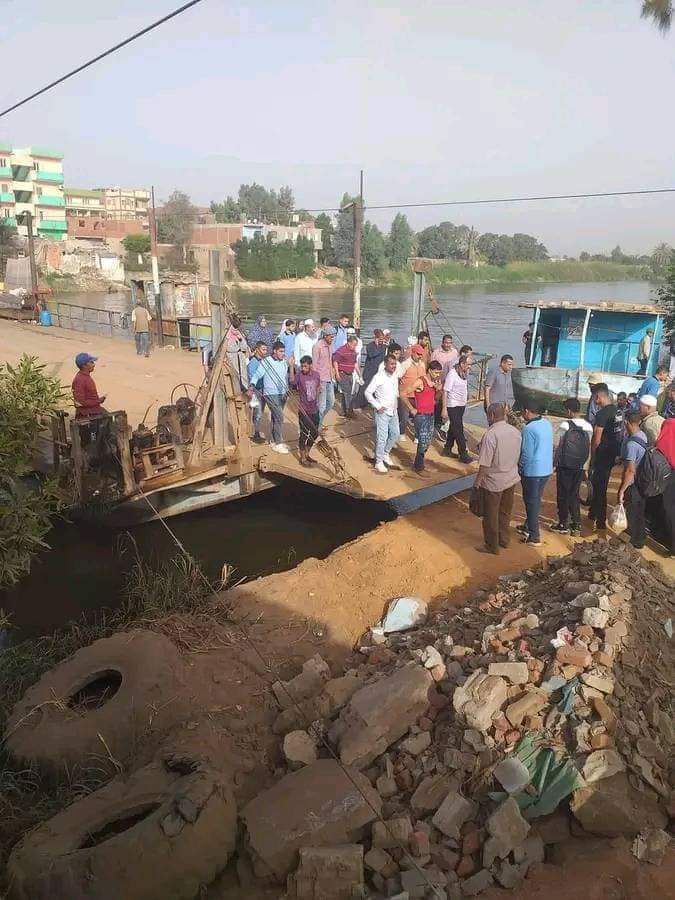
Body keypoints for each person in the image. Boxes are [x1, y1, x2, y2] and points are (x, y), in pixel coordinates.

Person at [475, 402, 522, 554]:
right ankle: (504, 540)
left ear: (492, 415)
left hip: (494, 482)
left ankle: (491, 546)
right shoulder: (515, 431)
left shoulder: (490, 435)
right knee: (505, 511)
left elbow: (485, 463)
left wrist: (477, 482)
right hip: (511, 478)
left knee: (491, 515)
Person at [550, 398, 592, 536]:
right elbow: (589, 448)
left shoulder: (565, 425)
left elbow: (558, 445)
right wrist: (585, 467)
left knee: (563, 494)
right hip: (580, 465)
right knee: (574, 494)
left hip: (565, 465)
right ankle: (576, 524)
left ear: (569, 411)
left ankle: (563, 523)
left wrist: (554, 463)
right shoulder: (588, 426)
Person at [517, 399, 553, 547]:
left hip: (532, 471)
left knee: (531, 502)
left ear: (527, 411)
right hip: (546, 469)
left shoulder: (528, 428)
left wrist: (520, 467)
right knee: (536, 499)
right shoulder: (546, 423)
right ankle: (528, 526)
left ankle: (534, 536)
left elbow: (526, 453)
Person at [399, 360, 443, 473]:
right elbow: (403, 394)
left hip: (430, 414)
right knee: (422, 441)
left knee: (427, 441)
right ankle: (418, 466)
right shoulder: (420, 381)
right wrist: (411, 408)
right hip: (421, 415)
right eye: (436, 372)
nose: (437, 375)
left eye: (439, 373)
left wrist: (439, 391)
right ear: (430, 370)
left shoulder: (434, 383)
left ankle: (419, 463)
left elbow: (435, 400)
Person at [588, 384, 620, 531]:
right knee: (599, 484)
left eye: (594, 397)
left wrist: (592, 457)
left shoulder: (601, 414)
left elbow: (597, 438)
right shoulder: (618, 411)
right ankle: (593, 513)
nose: (594, 401)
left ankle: (600, 521)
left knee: (600, 487)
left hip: (602, 455)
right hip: (612, 454)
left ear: (598, 397)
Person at [248, 340, 289, 454]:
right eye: (280, 351)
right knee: (280, 417)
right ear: (275, 351)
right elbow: (257, 375)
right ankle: (279, 443)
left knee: (276, 417)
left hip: (282, 393)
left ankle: (273, 440)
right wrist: (252, 385)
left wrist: (286, 389)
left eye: (284, 351)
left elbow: (285, 377)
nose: (283, 353)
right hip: (270, 393)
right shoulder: (266, 361)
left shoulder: (284, 362)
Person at [364, 353, 400, 474]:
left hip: (393, 411)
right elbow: (368, 392)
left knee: (395, 434)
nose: (394, 366)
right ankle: (378, 461)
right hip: (382, 412)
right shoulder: (378, 377)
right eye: (391, 364)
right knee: (382, 437)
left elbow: (395, 392)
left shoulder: (395, 375)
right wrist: (377, 406)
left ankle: (385, 453)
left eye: (395, 364)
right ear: (385, 364)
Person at [622, 411, 651, 549]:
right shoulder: (643, 436)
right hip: (643, 480)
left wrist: (622, 490)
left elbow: (630, 471)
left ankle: (634, 542)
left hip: (633, 483)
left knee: (632, 512)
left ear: (626, 422)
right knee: (640, 511)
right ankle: (640, 538)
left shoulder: (631, 444)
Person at [441, 355, 473, 464]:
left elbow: (464, 386)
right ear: (462, 364)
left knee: (453, 427)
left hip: (461, 405)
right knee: (459, 429)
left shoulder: (464, 373)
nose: (470, 367)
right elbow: (445, 391)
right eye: (468, 364)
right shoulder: (452, 374)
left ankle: (447, 449)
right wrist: (444, 409)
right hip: (453, 405)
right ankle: (463, 453)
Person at [296, 355, 321, 467]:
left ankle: (307, 453)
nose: (303, 368)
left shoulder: (316, 375)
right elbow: (292, 382)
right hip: (303, 410)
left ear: (310, 365)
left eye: (305, 366)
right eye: (302, 366)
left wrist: (317, 399)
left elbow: (318, 387)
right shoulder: (299, 375)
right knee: (304, 434)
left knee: (315, 433)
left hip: (314, 409)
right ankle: (302, 458)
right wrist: (291, 367)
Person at [398, 344, 427, 440]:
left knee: (419, 417)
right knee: (404, 416)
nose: (420, 356)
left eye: (421, 354)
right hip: (406, 395)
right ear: (413, 353)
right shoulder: (405, 364)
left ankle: (417, 435)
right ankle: (401, 432)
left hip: (418, 395)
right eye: (418, 354)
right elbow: (398, 377)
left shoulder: (422, 364)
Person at [312, 326, 336, 425]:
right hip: (320, 379)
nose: (332, 339)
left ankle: (319, 421)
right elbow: (314, 366)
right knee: (321, 405)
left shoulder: (330, 345)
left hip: (329, 378)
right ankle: (317, 426)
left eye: (334, 336)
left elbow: (330, 361)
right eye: (331, 336)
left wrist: (333, 375)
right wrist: (316, 383)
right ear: (325, 336)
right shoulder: (317, 346)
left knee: (331, 403)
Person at [332, 334, 361, 418]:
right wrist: (337, 374)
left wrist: (359, 374)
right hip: (342, 373)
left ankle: (344, 411)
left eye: (356, 345)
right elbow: (335, 362)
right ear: (349, 343)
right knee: (348, 393)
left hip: (350, 374)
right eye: (354, 345)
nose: (355, 347)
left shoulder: (353, 352)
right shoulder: (341, 350)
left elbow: (355, 363)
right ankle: (349, 411)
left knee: (346, 393)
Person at [247, 341, 268, 444]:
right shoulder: (253, 362)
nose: (265, 351)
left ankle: (255, 431)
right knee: (257, 412)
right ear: (257, 349)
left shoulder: (264, 361)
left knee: (259, 412)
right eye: (263, 349)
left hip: (262, 390)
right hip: (255, 391)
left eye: (266, 349)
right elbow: (252, 378)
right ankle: (254, 433)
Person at [72, 352, 106, 417]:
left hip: (93, 411)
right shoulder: (79, 380)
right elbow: (80, 403)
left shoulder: (85, 377)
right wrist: (98, 401)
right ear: (84, 365)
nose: (94, 365)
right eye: (91, 362)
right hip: (88, 415)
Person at [225, 314, 249, 389]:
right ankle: (236, 389)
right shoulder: (227, 334)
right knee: (235, 374)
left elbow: (244, 346)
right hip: (231, 356)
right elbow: (227, 347)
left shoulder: (239, 334)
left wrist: (240, 339)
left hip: (240, 356)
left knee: (243, 374)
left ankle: (245, 388)